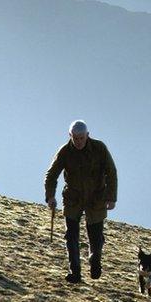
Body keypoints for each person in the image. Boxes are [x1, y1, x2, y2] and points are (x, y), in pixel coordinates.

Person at [44, 120, 118, 283]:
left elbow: (111, 172)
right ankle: (75, 271)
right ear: (70, 136)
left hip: (96, 198)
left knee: (96, 236)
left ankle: (95, 260)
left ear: (87, 135)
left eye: (81, 138)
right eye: (75, 138)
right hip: (73, 198)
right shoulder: (64, 151)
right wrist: (50, 196)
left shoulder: (100, 148)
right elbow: (52, 174)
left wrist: (111, 197)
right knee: (71, 236)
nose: (78, 142)